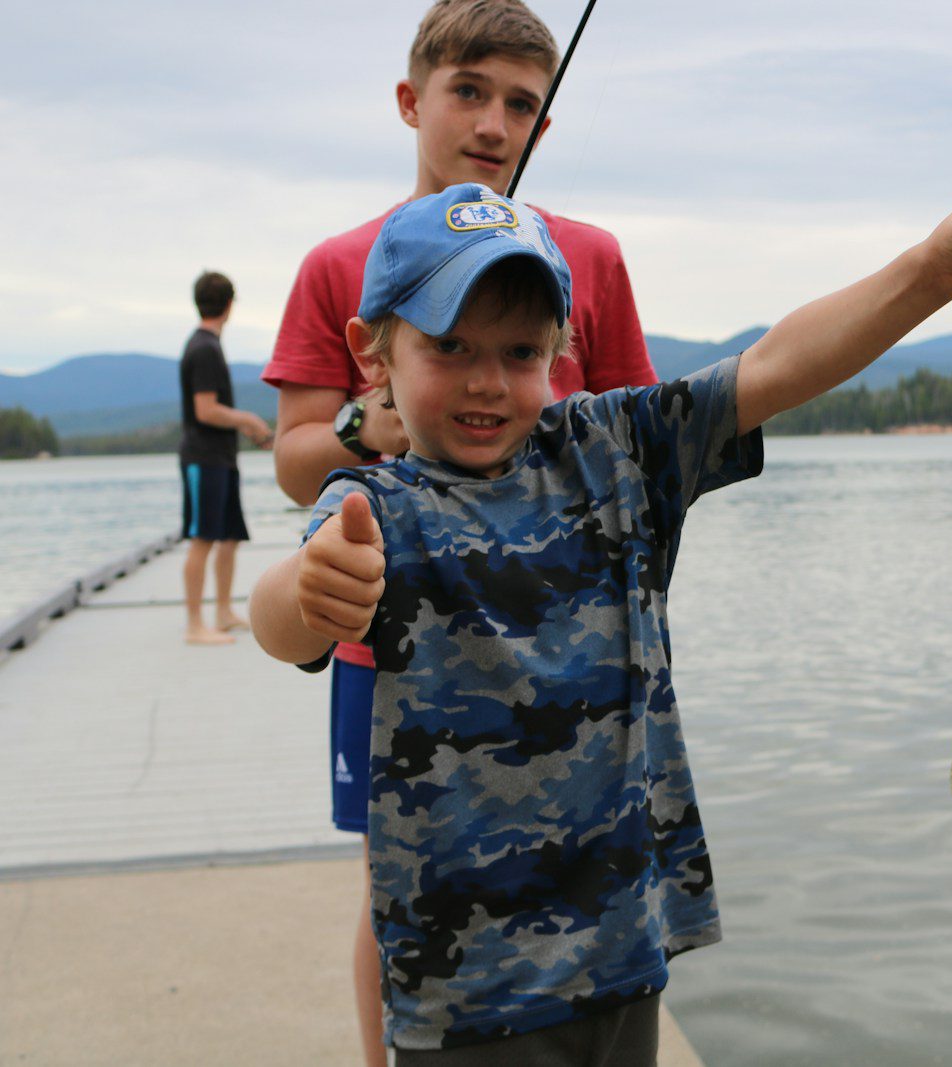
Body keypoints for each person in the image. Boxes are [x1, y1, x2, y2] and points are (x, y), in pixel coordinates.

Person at [249, 180, 952, 1061]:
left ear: (560, 346)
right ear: (374, 352)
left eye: (519, 351)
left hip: (624, 947)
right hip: (465, 983)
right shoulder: (373, 506)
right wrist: (310, 589)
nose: (486, 380)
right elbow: (282, 625)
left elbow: (775, 367)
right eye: (448, 345)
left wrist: (932, 272)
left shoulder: (615, 452)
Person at [261, 3, 657, 1059]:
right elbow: (295, 446)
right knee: (395, 872)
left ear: (543, 124)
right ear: (410, 102)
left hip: (569, 644)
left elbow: (643, 449)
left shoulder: (592, 258)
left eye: (521, 104)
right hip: (392, 627)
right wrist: (364, 424)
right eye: (469, 92)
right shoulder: (338, 263)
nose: (493, 123)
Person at [178, 270, 272, 646]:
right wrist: (248, 420)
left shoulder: (209, 346)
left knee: (229, 536)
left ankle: (222, 611)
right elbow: (205, 410)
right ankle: (194, 625)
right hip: (204, 457)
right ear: (230, 305)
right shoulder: (203, 348)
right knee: (203, 538)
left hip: (223, 457)